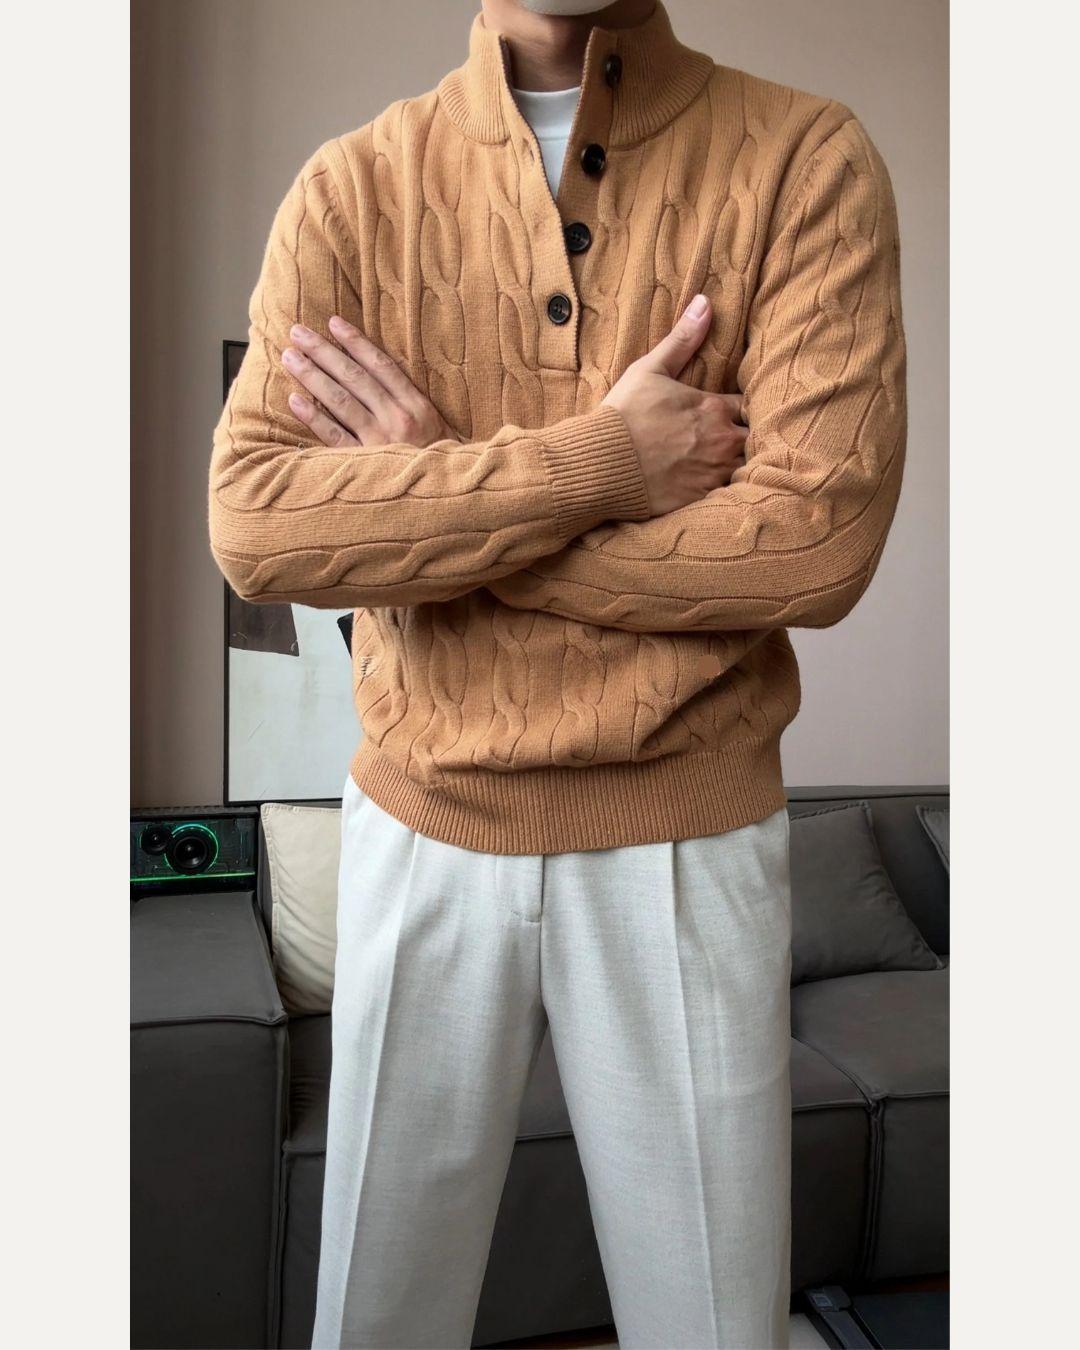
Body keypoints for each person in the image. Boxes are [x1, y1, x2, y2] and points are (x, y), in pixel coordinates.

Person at [208, 0, 907, 1345]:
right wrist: (603, 465)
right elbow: (256, 529)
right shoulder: (354, 188)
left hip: (688, 839)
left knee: (714, 1324)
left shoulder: (804, 160)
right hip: (421, 827)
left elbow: (814, 547)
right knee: (376, 1317)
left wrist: (440, 505)